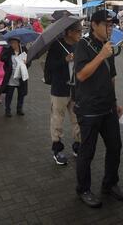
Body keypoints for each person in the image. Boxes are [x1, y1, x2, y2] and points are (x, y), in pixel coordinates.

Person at [74, 10, 123, 208]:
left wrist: (114, 102)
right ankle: (83, 189)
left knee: (115, 146)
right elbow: (81, 75)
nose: (110, 28)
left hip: (108, 108)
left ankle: (110, 183)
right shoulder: (83, 45)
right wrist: (101, 56)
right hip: (89, 109)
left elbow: (111, 77)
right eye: (106, 24)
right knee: (87, 152)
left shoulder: (109, 47)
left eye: (112, 25)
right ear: (94, 25)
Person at [46, 21, 82, 165]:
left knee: (77, 119)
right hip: (59, 89)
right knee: (57, 120)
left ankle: (78, 146)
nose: (80, 34)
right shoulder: (57, 45)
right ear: (69, 32)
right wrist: (64, 60)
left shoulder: (79, 45)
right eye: (78, 31)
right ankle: (57, 149)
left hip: (75, 89)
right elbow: (49, 67)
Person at [0, 37, 28, 117]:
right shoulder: (8, 50)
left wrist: (26, 62)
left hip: (21, 77)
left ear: (18, 43)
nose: (13, 44)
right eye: (11, 43)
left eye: (14, 43)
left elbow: (29, 61)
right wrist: (7, 53)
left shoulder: (23, 49)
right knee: (9, 95)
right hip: (11, 77)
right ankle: (7, 110)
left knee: (21, 94)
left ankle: (19, 109)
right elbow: (2, 58)